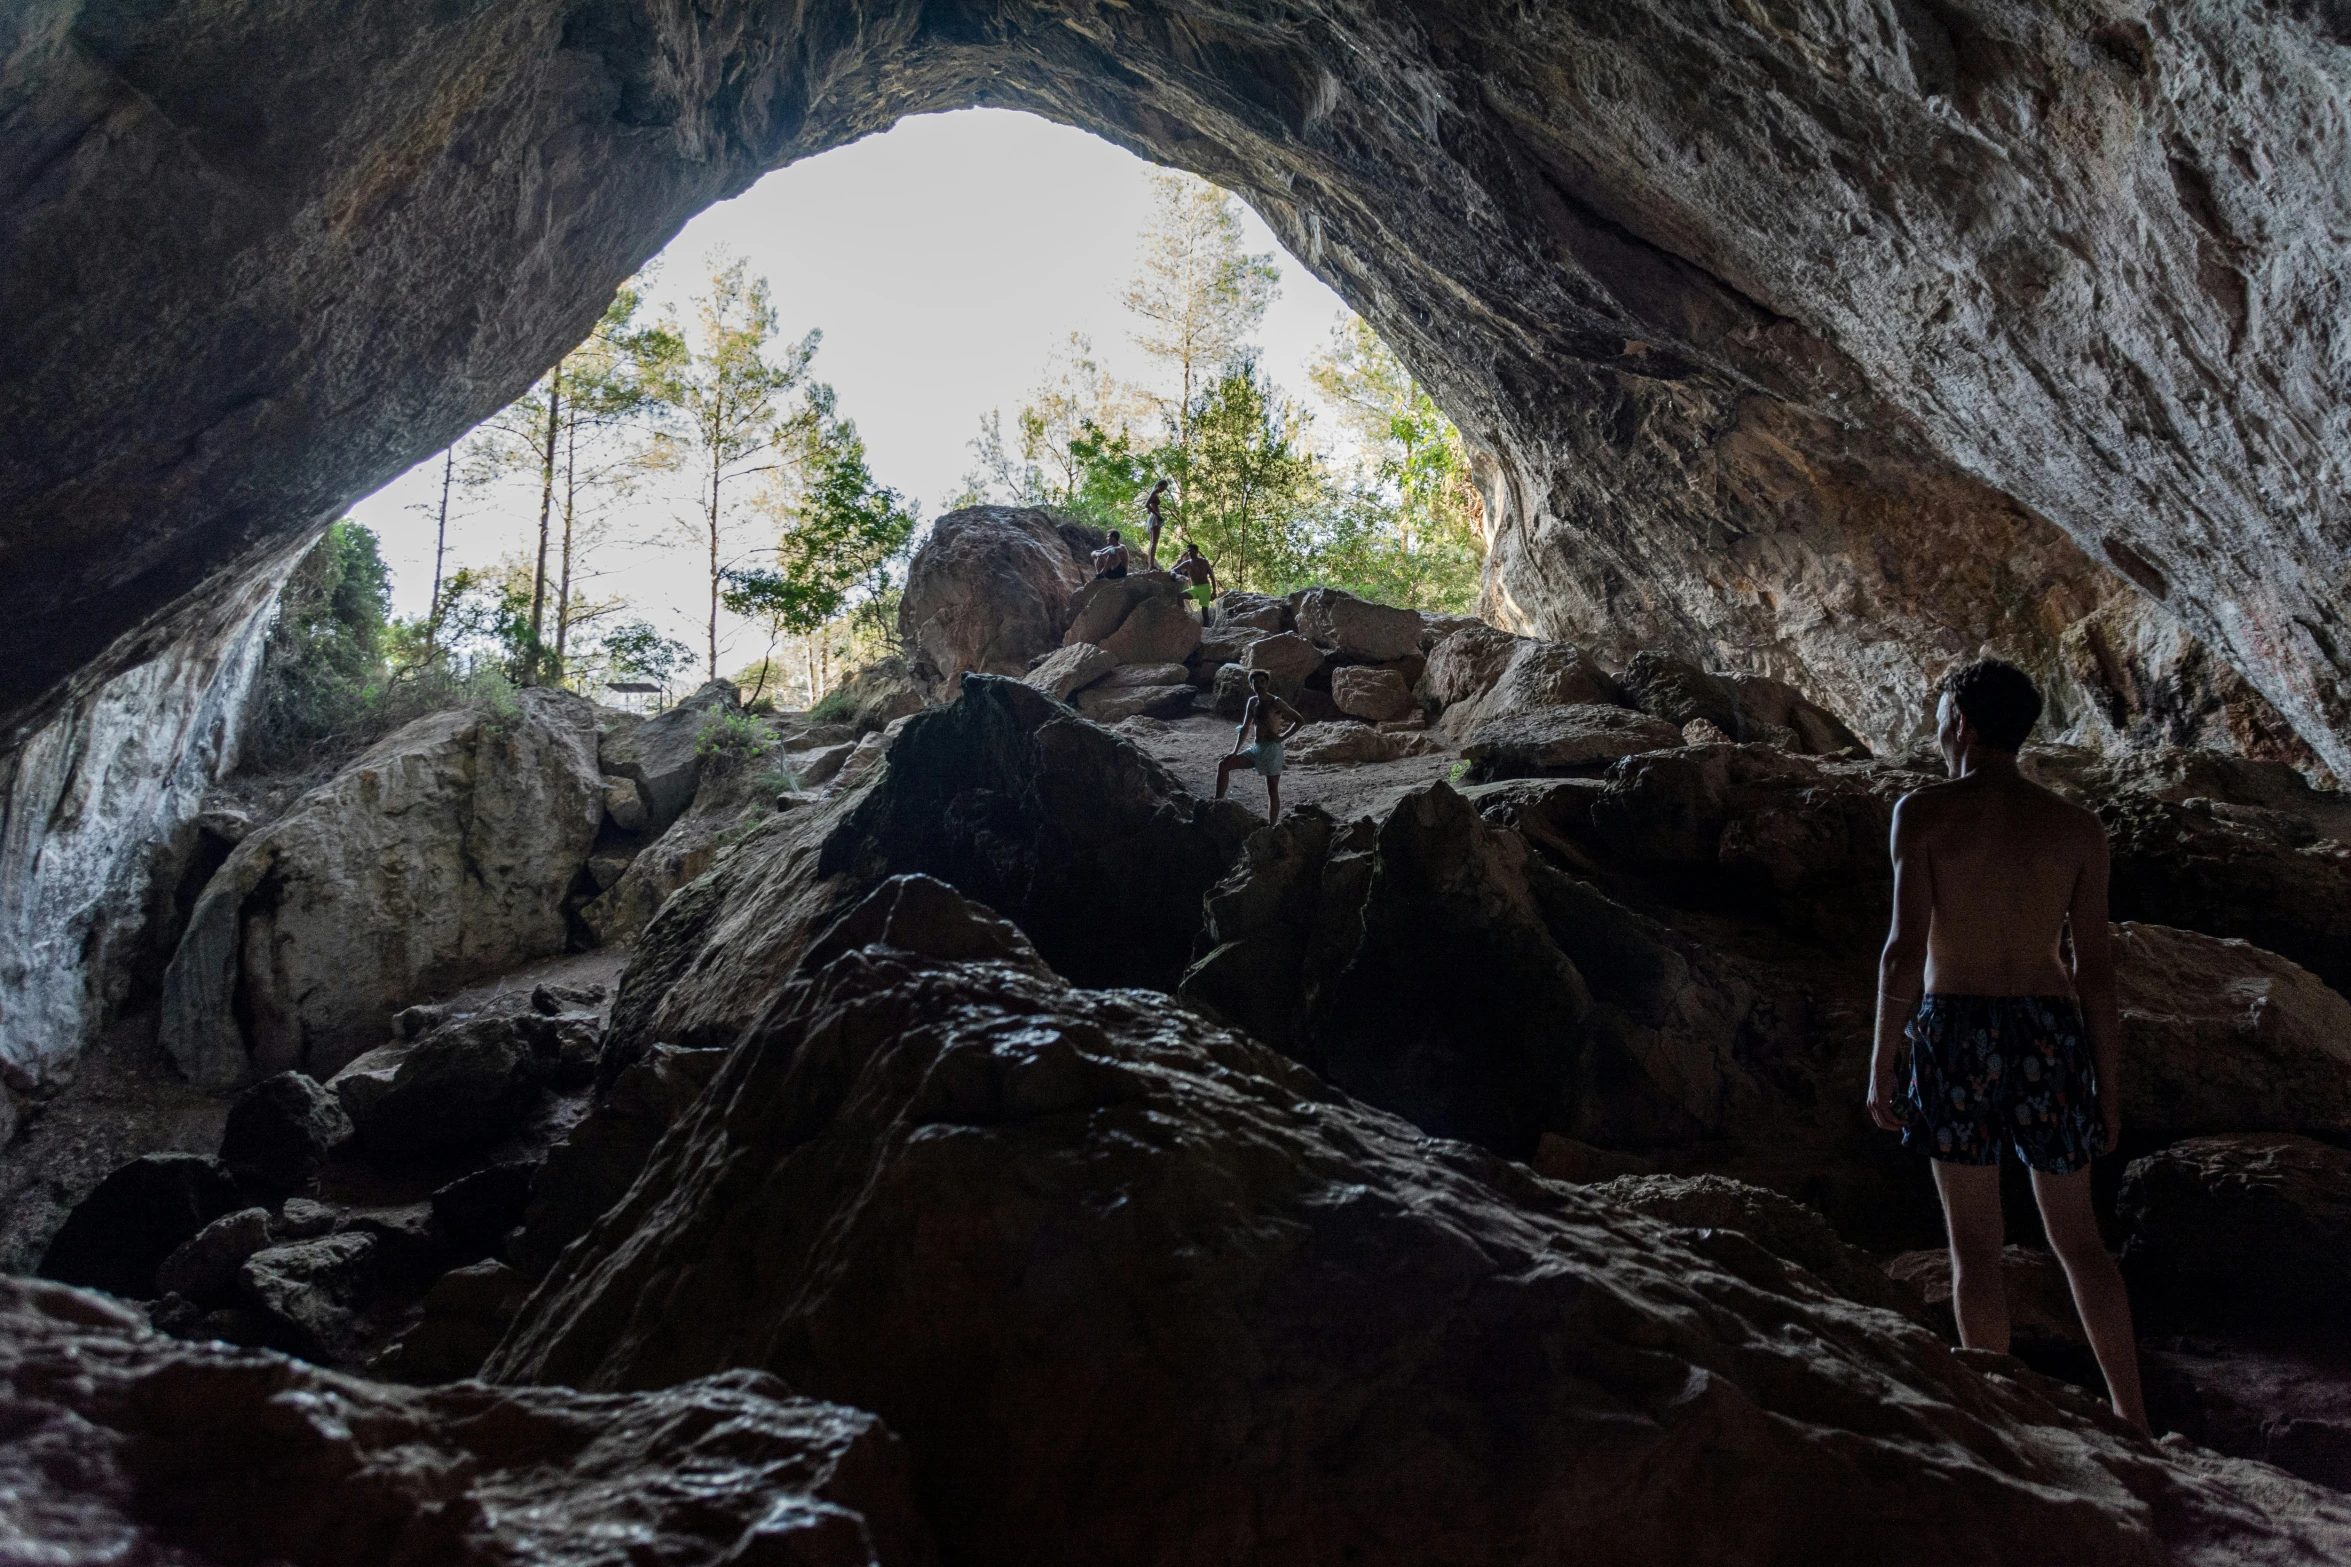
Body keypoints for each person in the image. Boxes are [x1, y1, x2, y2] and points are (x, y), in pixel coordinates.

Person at [1867, 658, 2149, 1433]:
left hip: (1954, 1027)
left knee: (1975, 1248)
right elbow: (2095, 971)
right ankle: (2134, 1420)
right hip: (2047, 1036)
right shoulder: (2074, 827)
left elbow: (1902, 948)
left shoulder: (1920, 813)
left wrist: (1882, 1060)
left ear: (1958, 719)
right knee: (2080, 1242)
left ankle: (1998, 1423)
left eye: (1936, 710)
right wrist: (2108, 1086)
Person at [1216, 668, 1302, 823]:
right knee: (1224, 764)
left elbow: (1299, 720)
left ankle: (1272, 826)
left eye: (1262, 681)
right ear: (1251, 684)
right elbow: (1245, 728)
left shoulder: (1276, 702)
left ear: (1267, 683)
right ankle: (1216, 804)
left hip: (1272, 750)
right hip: (1257, 748)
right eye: (1255, 682)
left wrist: (1282, 738)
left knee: (1272, 788)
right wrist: (1234, 752)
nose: (1259, 685)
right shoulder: (1253, 702)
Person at [1171, 540, 1218, 617]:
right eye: (1188, 551)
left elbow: (1212, 576)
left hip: (1205, 588)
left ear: (1196, 551)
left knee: (1205, 612)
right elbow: (1173, 570)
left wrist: (1214, 591)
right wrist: (1174, 574)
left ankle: (1206, 628)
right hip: (1194, 588)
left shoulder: (1204, 562)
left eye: (1191, 551)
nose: (1189, 553)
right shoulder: (1187, 563)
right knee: (1180, 596)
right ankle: (1182, 616)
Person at [1142, 479, 1171, 568]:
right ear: (1159, 485)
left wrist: (1154, 513)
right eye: (1163, 487)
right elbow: (1146, 505)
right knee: (1154, 542)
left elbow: (1148, 510)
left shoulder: (1154, 493)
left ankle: (1150, 564)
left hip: (1153, 517)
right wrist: (1157, 515)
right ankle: (1151, 565)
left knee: (1153, 542)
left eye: (1165, 488)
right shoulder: (1153, 493)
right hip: (1155, 518)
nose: (1163, 490)